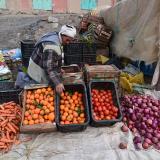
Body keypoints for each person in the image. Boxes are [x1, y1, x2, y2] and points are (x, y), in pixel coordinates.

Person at [16, 25, 76, 94]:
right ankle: (20, 84)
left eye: (70, 41)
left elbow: (51, 58)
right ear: (62, 35)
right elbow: (48, 67)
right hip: (37, 69)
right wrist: (58, 83)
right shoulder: (52, 47)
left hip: (37, 62)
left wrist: (58, 69)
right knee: (34, 86)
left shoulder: (55, 35)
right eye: (67, 40)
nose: (68, 42)